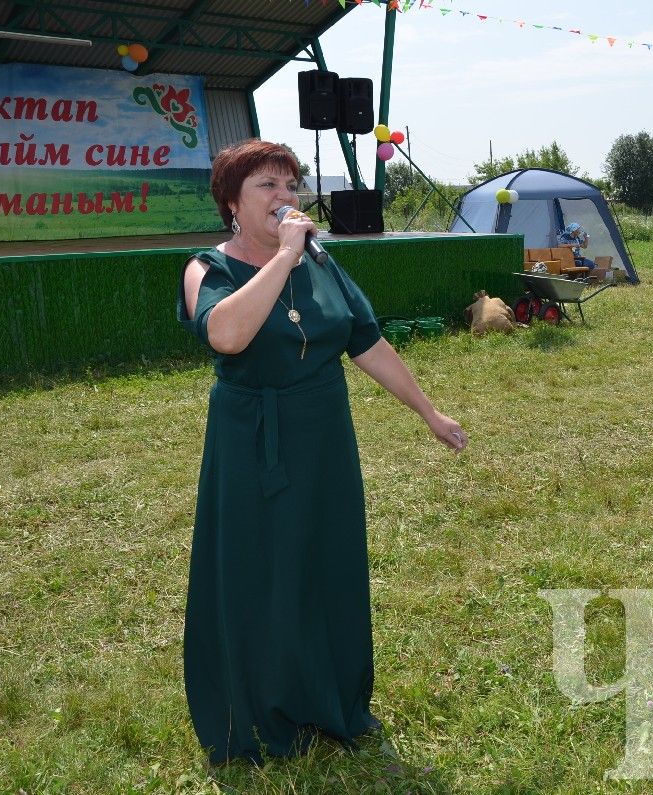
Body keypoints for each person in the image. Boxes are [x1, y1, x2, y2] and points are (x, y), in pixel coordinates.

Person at [177, 139, 468, 766]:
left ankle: (330, 697)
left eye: (291, 186)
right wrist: (283, 258)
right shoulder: (208, 266)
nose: (286, 199)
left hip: (324, 436)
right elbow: (226, 334)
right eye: (268, 187)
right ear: (231, 202)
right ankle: (258, 708)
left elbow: (365, 342)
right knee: (261, 569)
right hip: (252, 441)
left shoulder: (323, 261)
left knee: (323, 562)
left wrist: (428, 412)